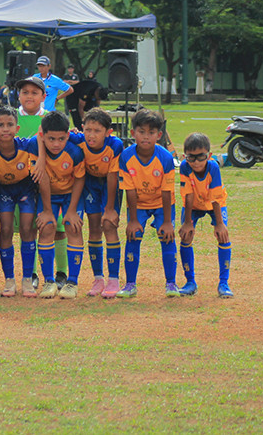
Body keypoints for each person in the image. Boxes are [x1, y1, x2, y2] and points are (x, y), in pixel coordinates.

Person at [0, 106, 51, 297]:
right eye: (0, 125)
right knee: (6, 230)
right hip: (3, 190)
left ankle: (27, 279)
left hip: (25, 189)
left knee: (28, 229)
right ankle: (9, 279)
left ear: (17, 128)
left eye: (10, 124)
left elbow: (41, 137)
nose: (5, 129)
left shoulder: (26, 145)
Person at [118, 109, 179, 298]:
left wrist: (168, 222)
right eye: (141, 132)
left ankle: (171, 283)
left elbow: (167, 191)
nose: (146, 137)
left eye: (151, 133)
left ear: (159, 135)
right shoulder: (126, 157)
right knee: (133, 236)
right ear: (133, 133)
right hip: (138, 204)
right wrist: (133, 220)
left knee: (167, 237)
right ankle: (130, 284)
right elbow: (130, 190)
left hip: (163, 204)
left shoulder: (166, 158)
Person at [28, 111, 86, 298]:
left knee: (73, 226)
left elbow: (79, 180)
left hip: (71, 194)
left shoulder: (74, 151)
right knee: (46, 227)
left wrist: (71, 211)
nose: (55, 144)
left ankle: (72, 282)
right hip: (48, 195)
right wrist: (46, 210)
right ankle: (48, 281)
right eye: (51, 139)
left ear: (67, 135)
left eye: (61, 139)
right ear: (43, 136)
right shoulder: (33, 147)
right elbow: (41, 177)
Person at [69, 108, 124, 298]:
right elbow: (52, 135)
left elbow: (113, 176)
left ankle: (114, 279)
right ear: (82, 128)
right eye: (88, 129)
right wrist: (73, 132)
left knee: (109, 225)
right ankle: (98, 278)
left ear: (108, 132)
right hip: (90, 184)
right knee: (93, 228)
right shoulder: (78, 139)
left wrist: (109, 208)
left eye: (97, 131)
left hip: (110, 186)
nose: (91, 135)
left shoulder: (115, 145)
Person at [178, 132, 233, 298]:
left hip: (214, 204)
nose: (196, 162)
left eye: (200, 157)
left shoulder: (213, 167)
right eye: (191, 157)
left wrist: (219, 224)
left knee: (223, 236)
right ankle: (190, 282)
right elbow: (187, 195)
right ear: (184, 156)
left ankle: (224, 283)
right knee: (186, 236)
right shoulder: (184, 167)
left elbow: (216, 198)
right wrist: (188, 222)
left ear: (209, 155)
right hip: (193, 205)